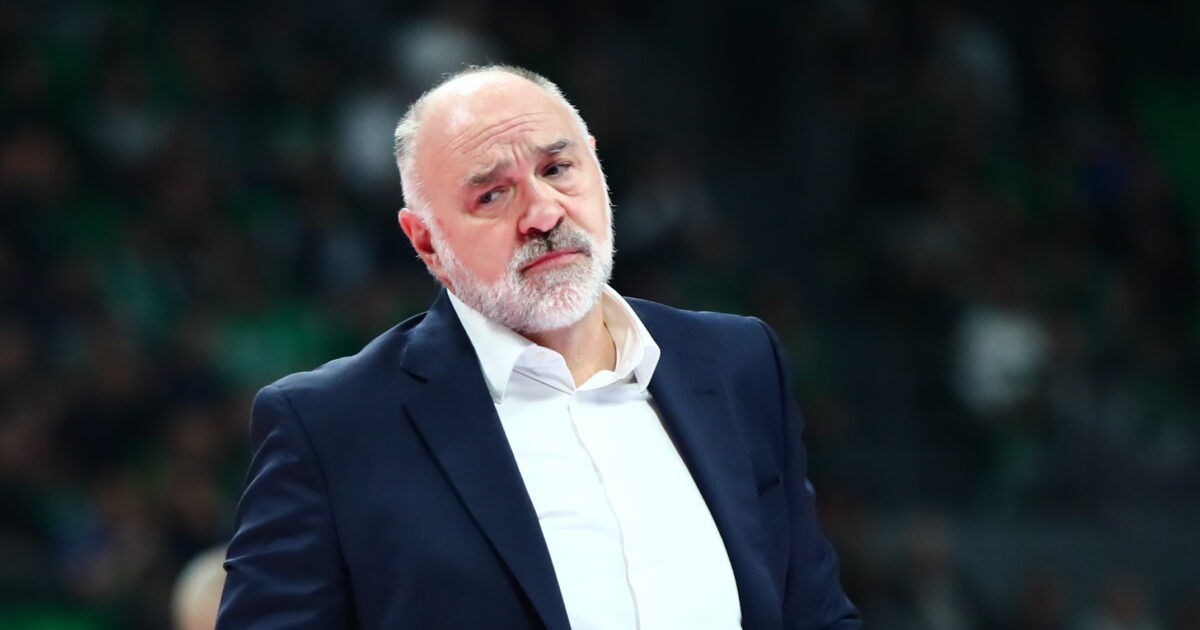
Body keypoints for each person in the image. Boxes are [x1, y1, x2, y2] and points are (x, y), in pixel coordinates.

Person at [217, 64, 861, 630]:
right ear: (426, 242)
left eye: (557, 169)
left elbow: (814, 613)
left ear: (597, 169)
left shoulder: (737, 362)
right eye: (492, 195)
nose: (544, 213)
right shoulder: (331, 427)